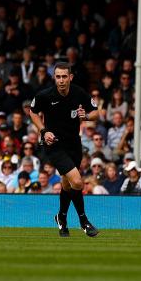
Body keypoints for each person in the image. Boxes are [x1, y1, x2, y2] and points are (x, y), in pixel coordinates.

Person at [29, 62, 99, 237]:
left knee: (67, 185)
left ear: (70, 77)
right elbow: (32, 112)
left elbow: (96, 111)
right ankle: (84, 221)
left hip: (74, 144)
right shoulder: (45, 95)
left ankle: (61, 217)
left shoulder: (79, 93)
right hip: (54, 145)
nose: (61, 80)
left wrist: (87, 116)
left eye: (64, 76)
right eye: (58, 76)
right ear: (54, 77)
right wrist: (44, 131)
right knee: (77, 182)